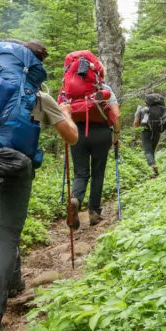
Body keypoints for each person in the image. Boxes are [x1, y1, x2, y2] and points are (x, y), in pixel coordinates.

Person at [0, 39, 79, 331]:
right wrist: (66, 113)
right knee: (6, 238)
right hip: (15, 169)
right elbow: (71, 137)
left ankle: (15, 282)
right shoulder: (38, 96)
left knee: (4, 226)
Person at [67, 81, 120, 229]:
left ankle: (76, 199)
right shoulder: (104, 89)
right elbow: (116, 115)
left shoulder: (70, 89)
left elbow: (61, 111)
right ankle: (94, 212)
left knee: (80, 173)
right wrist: (115, 137)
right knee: (98, 173)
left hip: (77, 132)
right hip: (101, 133)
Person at [134, 93, 166, 176]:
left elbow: (136, 122)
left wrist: (136, 133)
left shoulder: (141, 109)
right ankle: (153, 169)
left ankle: (152, 166)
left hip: (145, 130)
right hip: (157, 130)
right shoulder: (161, 109)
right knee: (152, 150)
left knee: (147, 151)